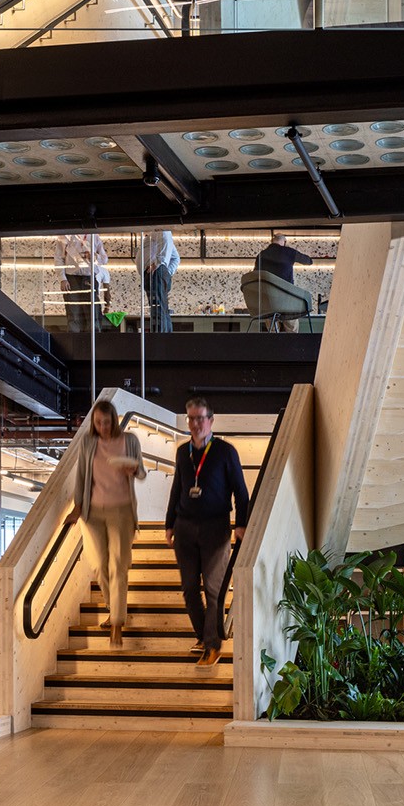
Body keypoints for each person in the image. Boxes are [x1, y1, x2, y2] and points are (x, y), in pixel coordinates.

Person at [165, 396, 249, 667]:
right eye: (191, 418)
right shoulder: (182, 452)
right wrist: (169, 524)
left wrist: (241, 524)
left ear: (211, 420)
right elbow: (177, 488)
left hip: (216, 528)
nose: (196, 423)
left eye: (201, 418)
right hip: (185, 528)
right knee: (190, 589)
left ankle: (213, 646)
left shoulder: (225, 451)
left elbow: (241, 491)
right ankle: (203, 636)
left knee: (213, 590)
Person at [76, 398, 148, 647]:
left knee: (119, 564)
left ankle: (117, 623)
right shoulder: (87, 443)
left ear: (114, 420)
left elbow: (142, 472)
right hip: (93, 512)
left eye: (106, 422)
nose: (103, 427)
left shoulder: (129, 441)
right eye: (98, 423)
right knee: (98, 564)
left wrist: (133, 470)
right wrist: (77, 508)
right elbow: (81, 477)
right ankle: (113, 608)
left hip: (122, 511)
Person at [63, 233, 110, 335]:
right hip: (71, 276)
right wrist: (63, 278)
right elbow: (58, 258)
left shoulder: (94, 237)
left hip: (89, 276)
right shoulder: (67, 237)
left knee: (93, 313)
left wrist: (93, 256)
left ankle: (94, 339)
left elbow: (104, 259)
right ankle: (74, 341)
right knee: (73, 312)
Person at [140, 229, 180, 333]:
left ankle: (160, 339)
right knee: (160, 309)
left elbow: (165, 239)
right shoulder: (154, 233)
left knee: (158, 310)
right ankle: (164, 338)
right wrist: (166, 270)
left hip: (156, 273)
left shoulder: (160, 229)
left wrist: (159, 264)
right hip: (156, 272)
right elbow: (176, 258)